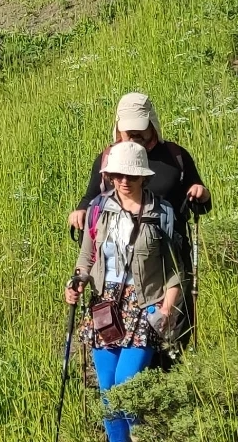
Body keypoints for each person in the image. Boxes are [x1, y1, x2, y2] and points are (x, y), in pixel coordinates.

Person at [67, 92, 212, 348]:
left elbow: (200, 198)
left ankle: (169, 375)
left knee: (173, 324)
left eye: (139, 130)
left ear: (152, 125)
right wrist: (81, 209)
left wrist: (201, 192)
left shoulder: (175, 156)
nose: (134, 136)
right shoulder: (110, 158)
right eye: (128, 130)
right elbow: (93, 194)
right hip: (121, 255)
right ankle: (132, 378)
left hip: (169, 250)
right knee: (118, 327)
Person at [65, 141, 184, 442]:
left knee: (125, 387)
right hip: (105, 307)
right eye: (117, 175)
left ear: (144, 177)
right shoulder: (98, 209)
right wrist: (76, 282)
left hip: (145, 307)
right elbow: (86, 257)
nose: (123, 181)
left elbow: (176, 272)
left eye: (130, 176)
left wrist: (167, 310)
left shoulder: (162, 214)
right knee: (108, 392)